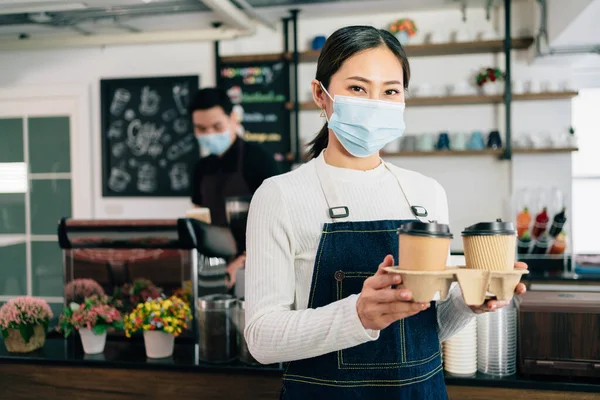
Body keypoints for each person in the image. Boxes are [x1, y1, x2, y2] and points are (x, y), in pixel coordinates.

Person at [244, 26, 528, 399]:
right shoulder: (280, 195)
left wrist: (468, 304)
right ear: (320, 94)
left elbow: (426, 327)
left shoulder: (426, 193)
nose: (376, 102)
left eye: (390, 91)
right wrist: (357, 315)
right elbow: (261, 338)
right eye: (358, 89)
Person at [190, 87, 282, 288]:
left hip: (256, 265)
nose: (209, 134)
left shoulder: (259, 159)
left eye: (216, 126)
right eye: (201, 129)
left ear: (233, 118)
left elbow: (279, 219)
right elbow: (199, 220)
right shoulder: (200, 168)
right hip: (213, 267)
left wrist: (244, 260)